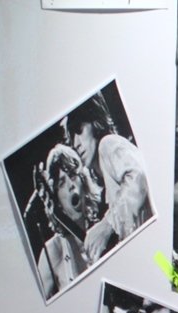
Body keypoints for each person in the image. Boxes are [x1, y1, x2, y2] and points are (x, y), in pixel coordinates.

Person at [63, 91, 151, 262]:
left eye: (79, 130)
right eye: (71, 137)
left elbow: (139, 174)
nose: (75, 143)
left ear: (95, 122)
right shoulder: (102, 174)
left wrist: (107, 224)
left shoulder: (107, 144)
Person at [31, 143, 100, 298]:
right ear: (57, 200)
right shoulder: (52, 252)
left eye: (73, 175)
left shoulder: (103, 230)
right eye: (61, 183)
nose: (71, 186)